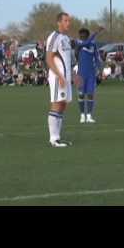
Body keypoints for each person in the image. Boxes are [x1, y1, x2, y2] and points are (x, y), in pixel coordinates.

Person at [45, 12, 74, 147]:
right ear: (59, 22)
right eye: (66, 21)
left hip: (66, 77)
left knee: (63, 104)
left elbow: (67, 60)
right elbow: (49, 59)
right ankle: (53, 139)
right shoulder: (54, 37)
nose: (69, 23)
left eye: (69, 21)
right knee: (57, 103)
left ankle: (57, 137)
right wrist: (60, 76)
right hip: (58, 77)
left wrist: (73, 75)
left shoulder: (66, 38)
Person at [74, 27, 104, 124]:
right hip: (81, 74)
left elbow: (97, 57)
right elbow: (85, 44)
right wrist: (96, 32)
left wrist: (100, 70)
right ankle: (82, 115)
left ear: (87, 35)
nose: (81, 37)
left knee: (90, 95)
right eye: (80, 35)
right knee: (81, 94)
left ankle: (89, 116)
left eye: (83, 35)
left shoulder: (93, 45)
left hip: (91, 73)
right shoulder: (79, 43)